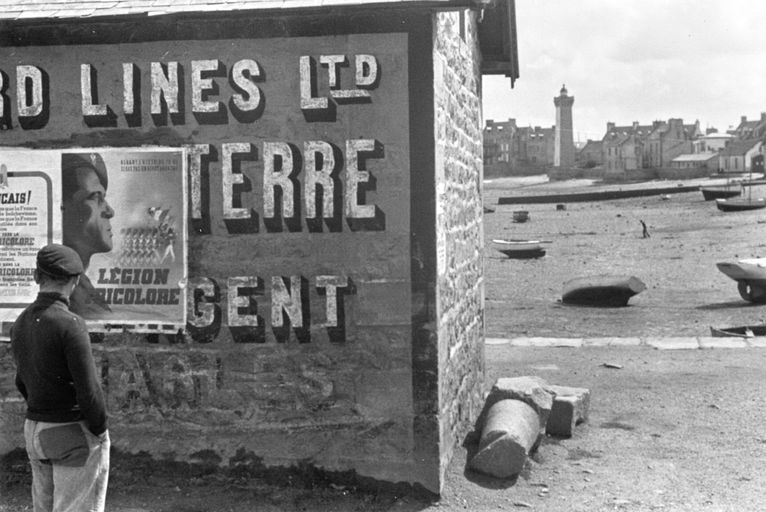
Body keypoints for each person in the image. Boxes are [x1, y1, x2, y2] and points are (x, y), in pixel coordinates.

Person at [11, 244, 109, 511]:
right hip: (70, 430)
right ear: (75, 281)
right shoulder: (71, 324)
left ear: (36, 276)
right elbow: (88, 390)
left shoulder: (20, 322)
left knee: (43, 506)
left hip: (35, 428)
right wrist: (100, 429)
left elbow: (21, 381)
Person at [61, 153, 115, 318]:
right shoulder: (76, 300)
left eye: (103, 198)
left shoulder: (76, 287)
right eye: (95, 197)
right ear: (61, 209)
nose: (110, 212)